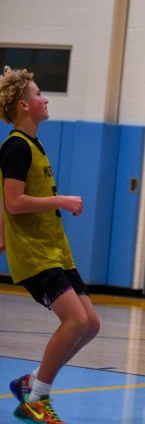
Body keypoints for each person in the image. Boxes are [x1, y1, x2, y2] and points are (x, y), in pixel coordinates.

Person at [0, 66, 100, 423]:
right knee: (74, 321)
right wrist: (62, 201)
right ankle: (36, 398)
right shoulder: (15, 146)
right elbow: (14, 202)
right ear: (25, 106)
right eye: (40, 94)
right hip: (35, 255)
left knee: (91, 324)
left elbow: (3, 205)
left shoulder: (32, 145)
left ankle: (31, 383)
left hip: (56, 252)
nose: (45, 100)